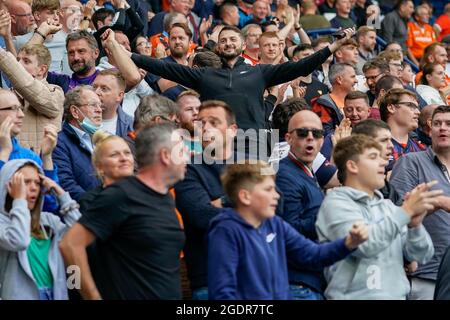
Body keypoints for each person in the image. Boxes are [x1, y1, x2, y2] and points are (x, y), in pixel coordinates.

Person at [126, 25, 356, 134]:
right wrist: (130, 56)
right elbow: (162, 68)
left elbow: (301, 66)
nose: (228, 43)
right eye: (223, 41)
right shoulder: (204, 75)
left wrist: (334, 45)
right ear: (217, 48)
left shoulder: (260, 72)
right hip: (215, 142)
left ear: (243, 45)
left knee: (257, 198)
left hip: (255, 141)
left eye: (232, 40)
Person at [60, 123, 187, 300]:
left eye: (127, 153)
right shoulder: (115, 197)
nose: (189, 156)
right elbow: (70, 246)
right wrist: (89, 296)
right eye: (182, 151)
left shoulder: (164, 196)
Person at [208, 160, 369, 300]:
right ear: (245, 196)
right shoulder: (225, 231)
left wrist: (348, 243)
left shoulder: (275, 224)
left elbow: (313, 255)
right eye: (268, 189)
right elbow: (222, 293)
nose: (277, 195)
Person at [316, 134, 440, 299]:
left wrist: (414, 226)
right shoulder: (335, 203)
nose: (384, 162)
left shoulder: (388, 206)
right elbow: (364, 247)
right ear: (353, 166)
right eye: (374, 157)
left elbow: (421, 256)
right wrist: (405, 212)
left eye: (383, 157)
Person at [390, 105, 450, 300]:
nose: (443, 128)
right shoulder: (410, 162)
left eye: (449, 124)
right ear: (428, 130)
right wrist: (438, 202)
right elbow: (399, 212)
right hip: (426, 272)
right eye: (437, 124)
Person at [0, 159, 81, 300]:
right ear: (8, 185)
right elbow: (19, 241)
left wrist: (60, 193)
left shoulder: (48, 220)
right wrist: (20, 200)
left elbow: (80, 235)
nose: (33, 188)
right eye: (25, 182)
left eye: (37, 183)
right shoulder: (2, 222)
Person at [0, 44, 64, 154]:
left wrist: (2, 56)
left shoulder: (55, 92)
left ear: (41, 70)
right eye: (18, 60)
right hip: (12, 165)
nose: (18, 64)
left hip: (47, 165)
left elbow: (31, 88)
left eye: (26, 61)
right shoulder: (6, 96)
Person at [52, 85, 103, 201]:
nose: (99, 110)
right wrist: (97, 205)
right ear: (75, 111)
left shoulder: (103, 140)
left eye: (100, 105)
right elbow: (65, 184)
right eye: (93, 105)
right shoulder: (58, 143)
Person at [78, 130, 134, 213]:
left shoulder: (146, 194)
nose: (124, 158)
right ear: (99, 167)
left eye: (127, 153)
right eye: (114, 155)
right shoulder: (91, 202)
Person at [379, 88, 426, 170]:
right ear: (391, 108)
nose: (418, 112)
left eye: (417, 107)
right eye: (411, 106)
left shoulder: (422, 149)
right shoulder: (376, 147)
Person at [311, 62, 358, 136]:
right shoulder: (322, 103)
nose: (356, 81)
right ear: (339, 79)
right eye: (352, 77)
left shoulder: (355, 101)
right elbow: (324, 133)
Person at [92, 69, 134, 138]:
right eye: (94, 87)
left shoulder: (130, 126)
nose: (96, 92)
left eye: (104, 88)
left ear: (119, 96)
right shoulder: (79, 120)